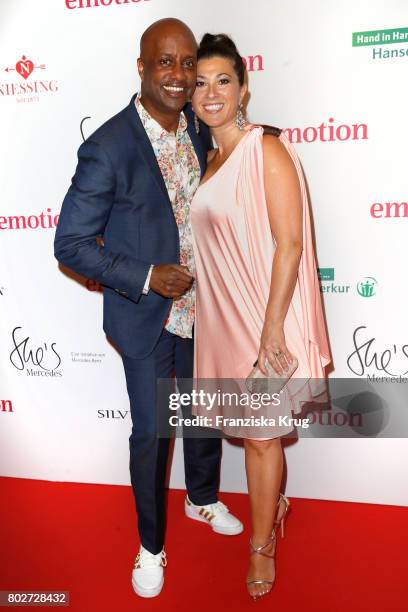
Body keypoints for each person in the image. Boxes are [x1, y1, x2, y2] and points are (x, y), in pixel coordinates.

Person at [54, 19, 242, 600]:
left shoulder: (197, 124)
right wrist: (145, 276)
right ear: (141, 66)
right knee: (153, 433)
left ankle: (203, 497)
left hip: (206, 308)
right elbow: (70, 244)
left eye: (188, 62)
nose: (181, 75)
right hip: (147, 317)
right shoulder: (108, 147)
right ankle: (151, 545)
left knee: (204, 411)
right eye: (167, 62)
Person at [190, 33, 331, 600]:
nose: (210, 92)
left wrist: (272, 327)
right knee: (249, 434)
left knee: (262, 438)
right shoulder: (207, 159)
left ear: (243, 89)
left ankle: (262, 544)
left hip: (265, 315)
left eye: (223, 80)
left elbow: (290, 244)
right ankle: (274, 507)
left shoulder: (264, 149)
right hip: (223, 317)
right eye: (200, 83)